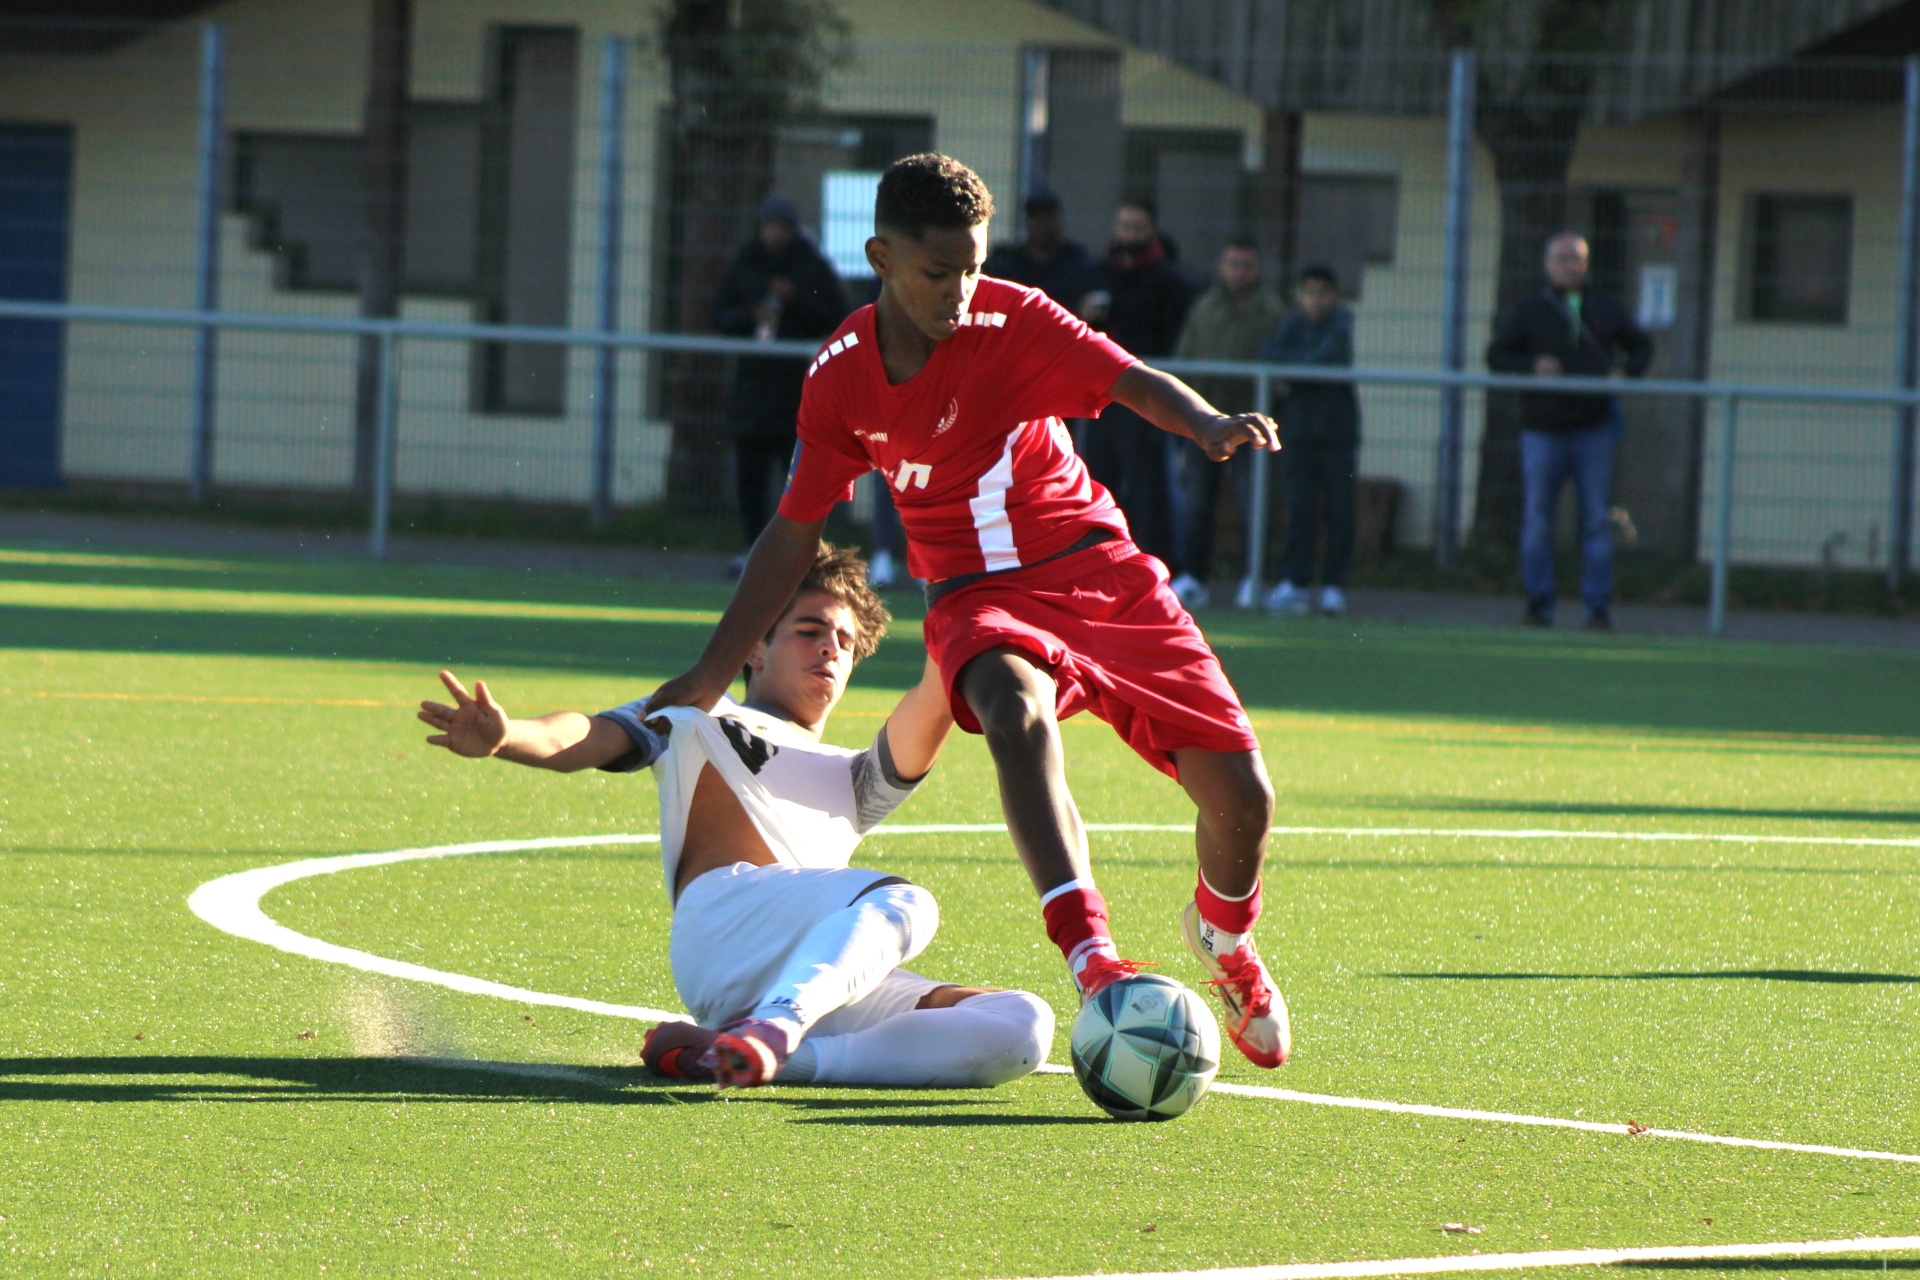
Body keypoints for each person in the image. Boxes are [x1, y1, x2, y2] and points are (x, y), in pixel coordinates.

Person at [643, 153, 1291, 1074]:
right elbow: (793, 531)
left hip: (1098, 571)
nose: (960, 292)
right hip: (973, 596)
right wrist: (710, 677)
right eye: (938, 272)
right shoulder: (840, 377)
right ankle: (1093, 957)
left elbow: (1129, 379)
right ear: (881, 258)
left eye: (974, 267)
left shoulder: (1013, 318)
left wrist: (1208, 424)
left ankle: (1224, 940)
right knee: (1014, 711)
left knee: (1244, 798)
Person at [418, 544, 1054, 1090]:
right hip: (726, 928)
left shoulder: (857, 775)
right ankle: (776, 1027)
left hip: (818, 973)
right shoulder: (700, 714)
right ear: (755, 647)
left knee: (1023, 1024)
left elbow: (939, 690)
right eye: (809, 630)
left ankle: (761, 1055)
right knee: (907, 902)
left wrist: (969, 588)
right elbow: (584, 736)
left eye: (844, 641)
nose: (829, 649)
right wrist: (509, 736)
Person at [1486, 232, 1653, 629]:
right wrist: (1532, 367)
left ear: (1586, 263)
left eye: (1575, 259)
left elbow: (1642, 347)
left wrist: (1625, 372)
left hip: (1593, 430)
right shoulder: (1531, 309)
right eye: (1560, 259)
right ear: (1547, 264)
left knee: (1596, 520)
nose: (1568, 266)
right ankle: (1538, 604)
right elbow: (1497, 354)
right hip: (1542, 431)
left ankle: (1598, 609)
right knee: (1537, 519)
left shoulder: (1606, 306)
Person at [713, 194, 851, 568]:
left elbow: (836, 314)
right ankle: (754, 552)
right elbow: (720, 316)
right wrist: (751, 314)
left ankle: (796, 555)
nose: (775, 234)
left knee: (799, 481)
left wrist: (797, 299)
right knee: (751, 479)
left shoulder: (812, 266)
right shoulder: (747, 262)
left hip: (796, 391)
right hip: (752, 391)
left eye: (782, 227)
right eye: (769, 226)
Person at [1166, 237, 1287, 610]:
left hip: (1253, 425)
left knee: (1255, 504)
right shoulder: (1205, 307)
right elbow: (1184, 359)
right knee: (1197, 503)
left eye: (1246, 265)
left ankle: (1255, 579)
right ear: (1222, 267)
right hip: (1206, 423)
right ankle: (1193, 578)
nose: (1239, 272)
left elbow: (1282, 367)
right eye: (1233, 264)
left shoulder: (1273, 311)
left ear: (1258, 270)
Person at [1073, 199, 1195, 567]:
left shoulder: (1171, 283)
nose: (1129, 234)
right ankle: (1096, 562)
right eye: (1124, 226)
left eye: (1137, 227)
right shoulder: (1095, 274)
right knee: (1097, 482)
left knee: (1150, 488)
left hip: (1146, 399)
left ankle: (1154, 565)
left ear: (1152, 231)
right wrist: (1086, 315)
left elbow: (1173, 341)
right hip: (1102, 398)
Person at [1259, 264, 1361, 618]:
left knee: (1339, 510)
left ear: (1334, 296)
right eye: (1309, 293)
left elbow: (1325, 360)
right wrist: (1299, 368)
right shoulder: (1292, 324)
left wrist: (1295, 370)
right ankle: (1295, 582)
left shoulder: (1341, 325)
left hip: (1337, 435)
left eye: (1323, 293)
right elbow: (1269, 355)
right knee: (1300, 510)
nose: (1316, 300)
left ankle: (1333, 586)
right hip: (1299, 434)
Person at [983, 189, 1090, 305]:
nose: (1042, 224)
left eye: (1048, 216)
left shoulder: (1076, 262)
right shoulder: (1008, 262)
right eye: (1036, 217)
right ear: (1027, 221)